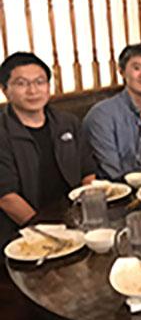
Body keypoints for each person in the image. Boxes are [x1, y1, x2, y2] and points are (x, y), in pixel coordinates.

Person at [0, 52, 96, 246]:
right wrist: (50, 235)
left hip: (74, 221)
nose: (33, 90)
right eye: (21, 83)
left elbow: (88, 172)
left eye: (40, 82)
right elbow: (6, 198)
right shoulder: (3, 131)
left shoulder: (67, 122)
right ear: (5, 90)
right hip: (23, 233)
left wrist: (90, 214)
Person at [83, 44, 141, 180]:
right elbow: (112, 173)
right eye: (137, 68)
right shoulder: (101, 116)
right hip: (115, 194)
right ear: (121, 72)